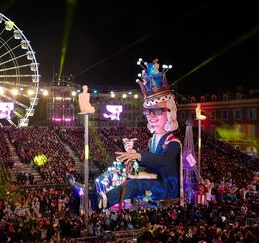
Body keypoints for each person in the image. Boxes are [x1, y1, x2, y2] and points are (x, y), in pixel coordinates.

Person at [68, 58, 183, 209]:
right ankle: (91, 189)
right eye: (147, 111)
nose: (150, 116)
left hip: (167, 188)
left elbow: (164, 160)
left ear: (170, 111)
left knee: (133, 184)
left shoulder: (173, 142)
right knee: (117, 168)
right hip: (152, 179)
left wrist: (139, 155)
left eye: (156, 111)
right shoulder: (153, 140)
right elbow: (148, 163)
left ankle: (98, 202)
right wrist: (132, 154)